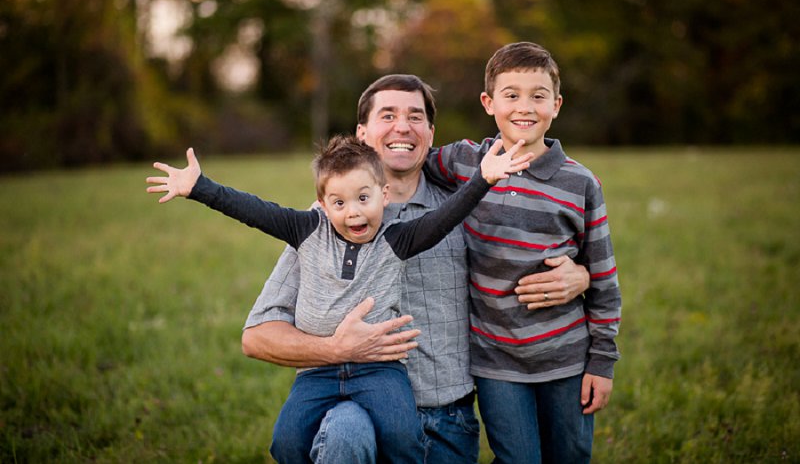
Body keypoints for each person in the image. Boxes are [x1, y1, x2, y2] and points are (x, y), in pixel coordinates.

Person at [239, 74, 592, 464]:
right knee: (344, 432)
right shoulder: (327, 224)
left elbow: (524, 258)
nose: (402, 126)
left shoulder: (465, 208)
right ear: (362, 132)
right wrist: (335, 349)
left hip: (446, 419)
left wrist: (582, 276)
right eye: (387, 115)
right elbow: (257, 337)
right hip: (356, 410)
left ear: (430, 132)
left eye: (415, 117)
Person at [146, 133, 532, 463]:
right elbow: (253, 210)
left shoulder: (395, 239)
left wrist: (482, 179)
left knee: (404, 436)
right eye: (340, 203)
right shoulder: (306, 230)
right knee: (286, 441)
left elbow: (443, 219)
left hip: (379, 371)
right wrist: (200, 188)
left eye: (364, 198)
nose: (353, 213)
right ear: (323, 203)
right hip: (318, 374)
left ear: (383, 195)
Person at [423, 42, 622, 463]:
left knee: (569, 456)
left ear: (557, 105)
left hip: (566, 359)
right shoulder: (464, 163)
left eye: (538, 95)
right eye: (511, 94)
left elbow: (604, 280)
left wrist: (601, 363)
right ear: (488, 102)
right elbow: (404, 157)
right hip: (496, 363)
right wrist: (343, 192)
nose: (524, 107)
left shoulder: (580, 183)